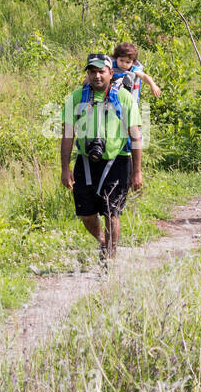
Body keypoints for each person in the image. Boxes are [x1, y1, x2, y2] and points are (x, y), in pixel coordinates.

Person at [61, 53, 144, 263]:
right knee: (86, 214)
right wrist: (65, 168)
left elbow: (135, 134)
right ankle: (103, 241)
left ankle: (110, 259)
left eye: (101, 71)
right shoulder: (76, 97)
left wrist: (137, 171)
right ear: (87, 74)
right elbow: (68, 134)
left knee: (111, 212)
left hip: (117, 159)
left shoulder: (123, 97)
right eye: (92, 71)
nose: (97, 76)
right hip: (86, 161)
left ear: (110, 73)